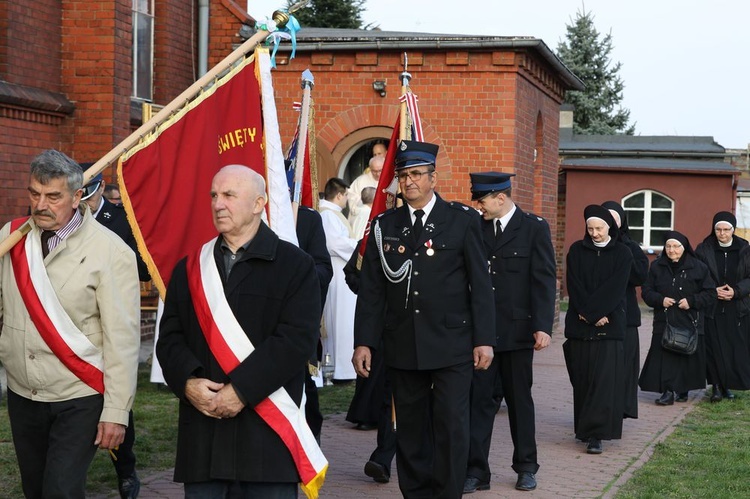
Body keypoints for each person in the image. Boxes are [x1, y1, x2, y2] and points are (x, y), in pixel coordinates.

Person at [156, 165, 322, 497]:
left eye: (229, 195)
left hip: (266, 444)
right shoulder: (190, 268)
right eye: (214, 196)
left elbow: (294, 341)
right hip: (204, 439)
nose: (218, 204)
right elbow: (170, 337)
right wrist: (187, 382)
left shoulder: (295, 265)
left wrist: (240, 391)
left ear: (259, 203)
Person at [353, 140, 496, 499]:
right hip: (404, 342)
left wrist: (485, 339)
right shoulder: (386, 224)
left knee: (452, 425)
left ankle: (447, 493)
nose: (409, 182)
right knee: (412, 427)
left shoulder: (461, 221)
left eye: (417, 175)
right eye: (404, 176)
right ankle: (416, 492)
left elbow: (481, 285)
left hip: (452, 344)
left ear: (433, 178)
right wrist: (364, 341)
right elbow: (372, 290)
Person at [0, 149, 140, 498]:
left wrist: (116, 411)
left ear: (78, 197)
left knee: (60, 490)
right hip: (23, 392)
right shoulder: (11, 238)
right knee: (35, 490)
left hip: (79, 393)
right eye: (34, 193)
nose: (40, 204)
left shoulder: (111, 252)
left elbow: (122, 339)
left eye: (53, 196)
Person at [463, 172, 557, 493]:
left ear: (500, 197)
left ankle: (526, 467)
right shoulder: (476, 227)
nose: (479, 205)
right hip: (483, 335)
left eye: (483, 200)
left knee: (520, 402)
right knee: (479, 403)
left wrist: (543, 325)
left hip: (518, 333)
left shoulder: (533, 228)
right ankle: (476, 471)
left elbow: (544, 280)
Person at [80, 166, 151, 498]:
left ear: (100, 189)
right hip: (71, 323)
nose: (84, 200)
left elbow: (141, 264)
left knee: (116, 399)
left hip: (109, 320)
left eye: (89, 193)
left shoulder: (121, 219)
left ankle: (125, 469)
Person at [563, 205, 632, 455]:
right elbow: (575, 283)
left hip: (609, 324)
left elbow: (616, 287)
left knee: (603, 382)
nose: (595, 233)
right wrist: (588, 313)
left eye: (599, 228)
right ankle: (584, 428)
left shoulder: (622, 253)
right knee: (582, 378)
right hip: (581, 325)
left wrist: (599, 313)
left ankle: (597, 435)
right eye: (591, 228)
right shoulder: (577, 251)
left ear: (609, 228)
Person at [639, 231, 716, 405]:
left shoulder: (699, 267)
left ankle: (683, 389)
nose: (672, 250)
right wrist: (660, 300)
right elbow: (647, 291)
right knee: (665, 356)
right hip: (664, 319)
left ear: (684, 248)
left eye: (676, 246)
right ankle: (668, 391)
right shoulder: (657, 267)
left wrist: (691, 301)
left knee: (686, 355)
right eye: (668, 246)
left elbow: (710, 293)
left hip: (690, 319)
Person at [602, 200, 649, 420]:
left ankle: (622, 408)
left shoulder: (631, 247)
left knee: (625, 365)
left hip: (626, 315)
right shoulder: (592, 246)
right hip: (599, 316)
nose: (611, 221)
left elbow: (640, 276)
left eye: (615, 217)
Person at [695, 212, 750, 401]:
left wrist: (736, 291)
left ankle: (728, 385)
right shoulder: (704, 249)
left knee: (732, 347)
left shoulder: (745, 249)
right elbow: (698, 274)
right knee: (714, 348)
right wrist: (713, 290)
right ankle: (716, 387)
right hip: (712, 306)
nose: (722, 234)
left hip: (737, 307)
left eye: (726, 230)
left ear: (733, 230)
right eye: (718, 229)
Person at [295, 205, 333, 440]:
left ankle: (309, 449)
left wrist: (296, 274)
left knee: (303, 388)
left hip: (296, 320)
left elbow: (323, 269)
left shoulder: (307, 219)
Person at [319, 177, 358, 382]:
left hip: (341, 269)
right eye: (346, 196)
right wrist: (359, 246)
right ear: (339, 194)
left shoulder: (332, 214)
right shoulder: (328, 215)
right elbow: (334, 243)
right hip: (336, 270)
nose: (347, 201)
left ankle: (343, 368)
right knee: (339, 319)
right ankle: (341, 370)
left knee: (344, 320)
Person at [347, 155, 384, 223]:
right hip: (364, 220)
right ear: (370, 168)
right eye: (374, 171)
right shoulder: (360, 181)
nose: (378, 174)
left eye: (380, 170)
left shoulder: (389, 180)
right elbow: (352, 198)